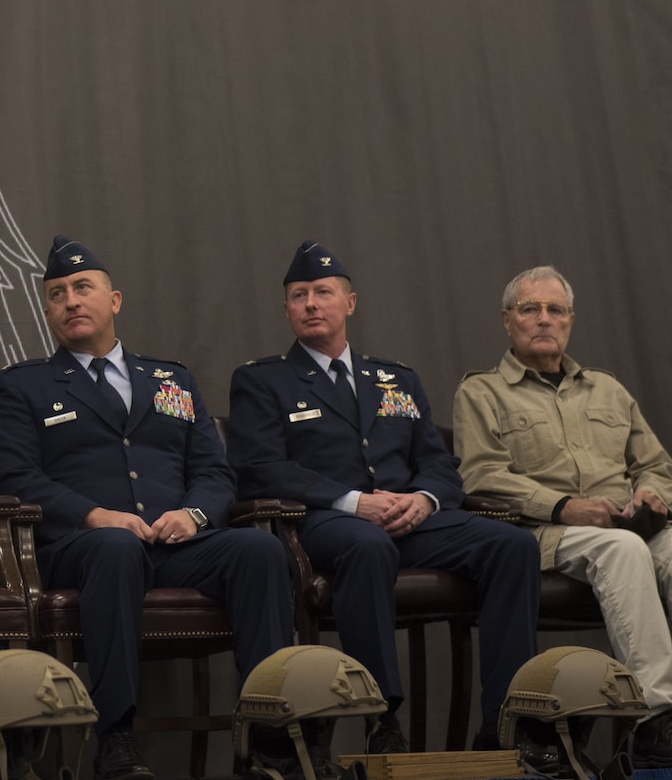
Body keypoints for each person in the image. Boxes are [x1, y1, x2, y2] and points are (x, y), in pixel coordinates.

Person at [0, 236, 294, 780]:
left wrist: (196, 516)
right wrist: (92, 515)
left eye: (83, 288)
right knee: (117, 547)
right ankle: (117, 734)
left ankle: (268, 732)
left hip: (174, 543)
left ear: (115, 300)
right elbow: (14, 477)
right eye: (57, 294)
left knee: (259, 550)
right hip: (83, 548)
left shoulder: (172, 380)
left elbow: (214, 473)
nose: (71, 301)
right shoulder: (25, 385)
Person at [227, 241, 540, 753]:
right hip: (327, 524)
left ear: (349, 303)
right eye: (299, 295)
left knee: (513, 546)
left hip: (411, 519)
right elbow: (259, 469)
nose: (310, 304)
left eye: (323, 293)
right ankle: (382, 716)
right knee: (368, 547)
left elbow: (438, 463)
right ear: (285, 309)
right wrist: (353, 501)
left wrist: (426, 499)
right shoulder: (264, 381)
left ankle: (506, 720)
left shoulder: (396, 378)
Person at [451, 266, 672, 768]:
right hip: (546, 534)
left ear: (571, 320)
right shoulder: (481, 393)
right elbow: (482, 476)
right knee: (623, 549)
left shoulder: (607, 390)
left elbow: (656, 465)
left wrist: (649, 493)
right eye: (530, 309)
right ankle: (655, 719)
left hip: (625, 524)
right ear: (507, 321)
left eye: (555, 309)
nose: (543, 319)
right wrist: (563, 506)